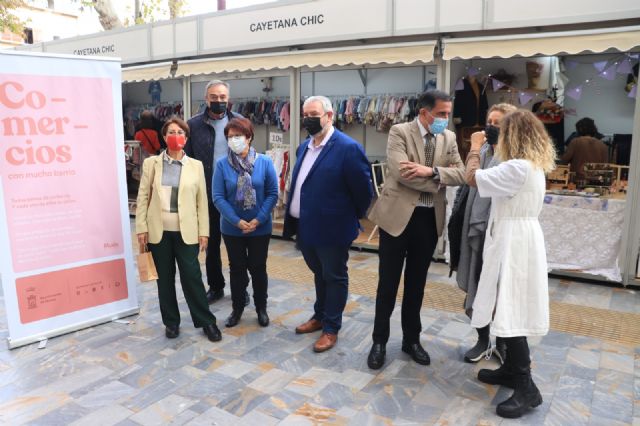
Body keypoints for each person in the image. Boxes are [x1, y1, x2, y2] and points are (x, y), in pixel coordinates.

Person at [465, 109, 555, 419]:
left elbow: (472, 178)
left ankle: (527, 387)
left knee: (512, 308)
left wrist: (475, 147)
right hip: (517, 236)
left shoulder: (517, 167)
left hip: (515, 241)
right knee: (505, 303)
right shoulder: (531, 166)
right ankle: (510, 371)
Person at [367, 90, 465, 370]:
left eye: (447, 114)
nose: (445, 119)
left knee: (416, 285)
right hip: (397, 218)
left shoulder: (449, 138)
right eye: (442, 114)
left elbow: (462, 174)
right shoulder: (399, 132)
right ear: (424, 112)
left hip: (428, 220)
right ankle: (379, 341)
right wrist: (440, 179)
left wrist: (430, 172)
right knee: (387, 284)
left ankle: (412, 340)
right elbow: (400, 173)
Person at [283, 95, 373, 353]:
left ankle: (331, 328)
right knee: (319, 275)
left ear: (330, 116)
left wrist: (346, 217)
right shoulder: (304, 147)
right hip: (306, 227)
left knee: (334, 277)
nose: (308, 119)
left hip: (333, 228)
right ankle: (319, 316)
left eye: (314, 114)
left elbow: (363, 192)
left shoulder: (347, 148)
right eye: (305, 114)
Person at [135, 117, 222, 343]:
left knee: (192, 276)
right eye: (171, 132)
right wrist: (141, 227)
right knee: (164, 278)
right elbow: (143, 196)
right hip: (158, 231)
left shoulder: (196, 166)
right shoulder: (151, 164)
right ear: (164, 137)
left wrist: (204, 231)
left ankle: (206, 321)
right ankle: (171, 322)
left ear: (186, 137)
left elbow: (202, 202)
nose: (176, 135)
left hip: (187, 232)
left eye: (180, 132)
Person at [455, 103, 517, 364]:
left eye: (498, 123)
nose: (491, 127)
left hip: (499, 231)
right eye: (489, 121)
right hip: (477, 227)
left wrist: (472, 149)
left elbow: (474, 178)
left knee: (501, 287)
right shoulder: (483, 149)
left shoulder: (512, 157)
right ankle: (482, 339)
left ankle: (503, 344)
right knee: (478, 281)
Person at [213, 118, 278, 328]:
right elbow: (218, 197)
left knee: (259, 268)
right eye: (230, 137)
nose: (234, 140)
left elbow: (272, 193)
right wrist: (237, 221)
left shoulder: (265, 162)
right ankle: (237, 308)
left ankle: (261, 307)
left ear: (249, 137)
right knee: (237, 269)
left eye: (238, 136)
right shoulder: (222, 165)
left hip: (261, 227)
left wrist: (258, 219)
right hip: (232, 229)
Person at [185, 80, 244, 304]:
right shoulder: (193, 125)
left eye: (222, 97)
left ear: (228, 98)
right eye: (213, 96)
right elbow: (188, 161)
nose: (218, 101)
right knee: (211, 245)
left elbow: (248, 154)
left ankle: (241, 289)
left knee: (237, 247)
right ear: (206, 98)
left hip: (235, 195)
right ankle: (216, 286)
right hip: (207, 194)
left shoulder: (239, 122)